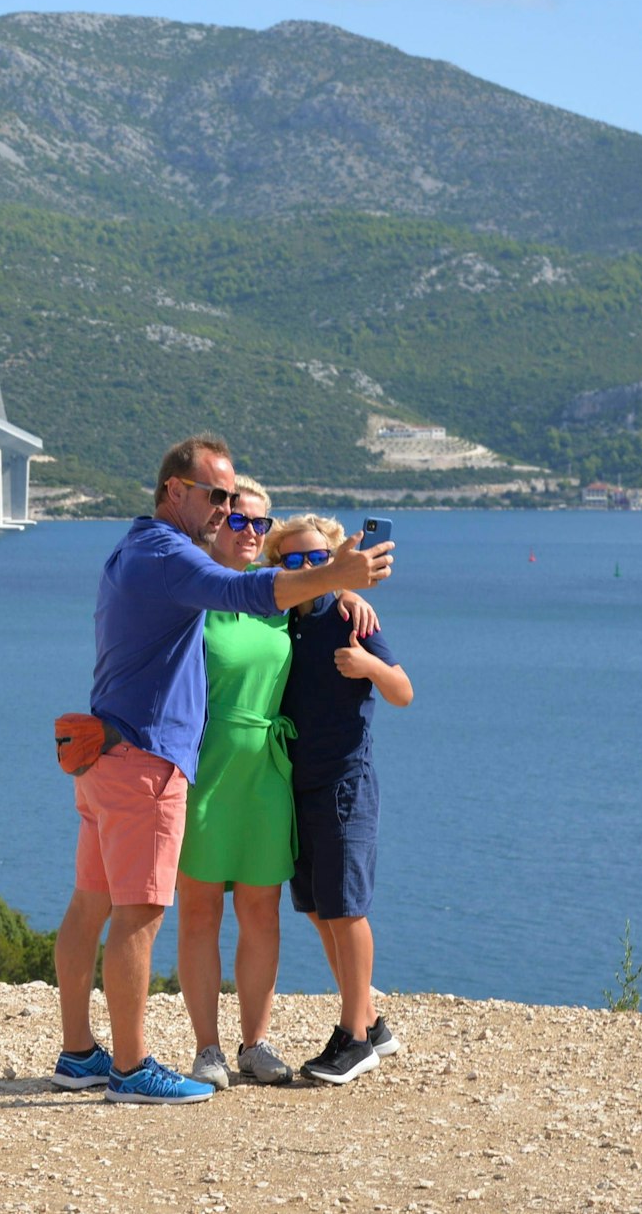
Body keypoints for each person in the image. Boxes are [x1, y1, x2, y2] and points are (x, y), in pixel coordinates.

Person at [51, 436, 394, 1105]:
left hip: (111, 752)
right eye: (218, 496)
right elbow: (246, 588)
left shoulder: (135, 548)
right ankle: (129, 1065)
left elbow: (277, 604)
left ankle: (78, 1052)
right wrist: (334, 573)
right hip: (146, 757)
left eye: (238, 501)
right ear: (175, 491)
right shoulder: (168, 555)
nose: (227, 508)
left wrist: (342, 595)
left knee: (91, 902)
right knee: (141, 913)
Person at [173, 479, 378, 1090]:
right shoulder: (191, 594)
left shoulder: (279, 599)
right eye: (238, 520)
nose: (250, 532)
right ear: (216, 521)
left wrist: (347, 590)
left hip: (268, 772)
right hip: (206, 770)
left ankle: (255, 1043)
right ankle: (206, 1048)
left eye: (260, 524)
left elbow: (320, 599)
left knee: (262, 912)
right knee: (201, 913)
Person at [268, 513, 414, 1086]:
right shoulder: (280, 619)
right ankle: (372, 1021)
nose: (306, 570)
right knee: (315, 905)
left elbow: (402, 691)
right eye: (294, 561)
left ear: (333, 561)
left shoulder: (351, 616)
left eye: (317, 560)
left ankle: (354, 1037)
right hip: (294, 784)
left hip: (344, 781)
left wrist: (368, 664)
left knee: (347, 906)